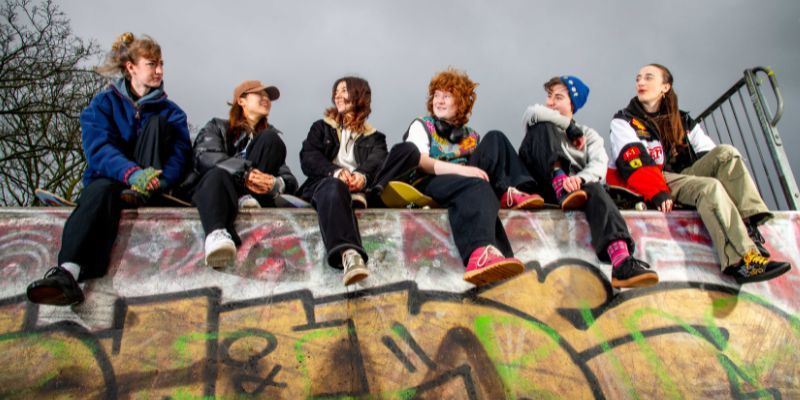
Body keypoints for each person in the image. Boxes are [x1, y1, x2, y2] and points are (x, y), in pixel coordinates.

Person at [26, 33, 192, 305]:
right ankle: (67, 274)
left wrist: (162, 181)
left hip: (152, 184)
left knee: (158, 125)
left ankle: (141, 191)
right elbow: (98, 149)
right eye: (152, 64)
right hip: (113, 181)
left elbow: (180, 155)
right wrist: (130, 173)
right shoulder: (103, 105)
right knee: (97, 192)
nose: (160, 70)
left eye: (162, 64)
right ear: (131, 68)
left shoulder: (172, 112)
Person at [608, 63, 791, 284]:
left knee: (727, 153)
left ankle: (749, 224)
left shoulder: (682, 120)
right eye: (638, 78)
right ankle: (742, 262)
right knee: (709, 187)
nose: (640, 82)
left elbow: (708, 153)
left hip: (684, 175)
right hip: (653, 180)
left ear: (665, 87)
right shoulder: (624, 120)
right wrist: (657, 192)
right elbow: (632, 160)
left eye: (648, 77)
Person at [387, 67, 542, 286]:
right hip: (429, 180)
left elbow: (483, 167)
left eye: (446, 96)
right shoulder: (422, 125)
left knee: (495, 138)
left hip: (463, 183)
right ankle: (478, 254)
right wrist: (463, 170)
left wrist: (473, 173)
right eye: (436, 96)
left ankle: (509, 192)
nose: (439, 101)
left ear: (460, 103)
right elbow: (420, 161)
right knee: (477, 187)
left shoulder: (471, 136)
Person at [519, 76, 658, 288]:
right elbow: (531, 112)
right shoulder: (540, 121)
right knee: (542, 126)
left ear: (572, 104)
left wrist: (579, 178)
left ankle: (621, 261)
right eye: (549, 97)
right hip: (543, 184)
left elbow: (599, 165)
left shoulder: (589, 135)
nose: (550, 103)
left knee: (596, 188)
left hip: (576, 190)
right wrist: (568, 127)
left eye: (558, 98)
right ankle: (559, 181)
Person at [191, 80, 298, 268]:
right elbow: (205, 156)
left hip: (257, 197)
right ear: (241, 101)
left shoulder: (268, 138)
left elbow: (289, 179)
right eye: (260, 95)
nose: (266, 99)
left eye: (268, 97)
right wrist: (245, 173)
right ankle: (216, 234)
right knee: (218, 175)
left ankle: (248, 196)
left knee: (271, 139)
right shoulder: (217, 126)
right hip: (219, 190)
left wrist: (274, 183)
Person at [298, 77, 388, 285]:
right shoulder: (321, 128)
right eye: (335, 91)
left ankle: (356, 195)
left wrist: (361, 176)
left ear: (358, 95)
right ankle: (350, 255)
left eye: (343, 90)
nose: (337, 95)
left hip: (361, 189)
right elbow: (308, 157)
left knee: (385, 171)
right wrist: (335, 172)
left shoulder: (376, 138)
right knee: (333, 186)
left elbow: (379, 161)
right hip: (325, 185)